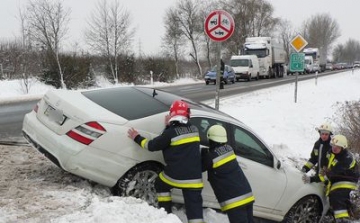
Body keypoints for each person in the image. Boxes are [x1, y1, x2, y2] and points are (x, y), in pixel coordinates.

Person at [127, 100, 204, 223]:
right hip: (195, 179)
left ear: (172, 114)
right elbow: (181, 130)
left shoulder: (169, 133)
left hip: (176, 175)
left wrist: (136, 137)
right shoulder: (194, 129)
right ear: (187, 114)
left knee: (160, 183)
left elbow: (151, 146)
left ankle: (166, 214)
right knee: (194, 209)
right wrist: (170, 125)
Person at [201, 125, 255, 223]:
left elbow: (199, 168)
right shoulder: (229, 149)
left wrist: (203, 155)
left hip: (235, 201)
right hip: (247, 195)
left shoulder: (211, 157)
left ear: (211, 139)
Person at [302, 134, 359, 223]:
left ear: (343, 147)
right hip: (337, 178)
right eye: (333, 145)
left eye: (337, 146)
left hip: (348, 180)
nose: (334, 148)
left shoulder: (345, 159)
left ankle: (343, 220)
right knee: (329, 194)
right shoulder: (330, 152)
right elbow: (327, 166)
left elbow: (330, 174)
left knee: (336, 196)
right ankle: (337, 214)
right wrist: (323, 170)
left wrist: (312, 179)